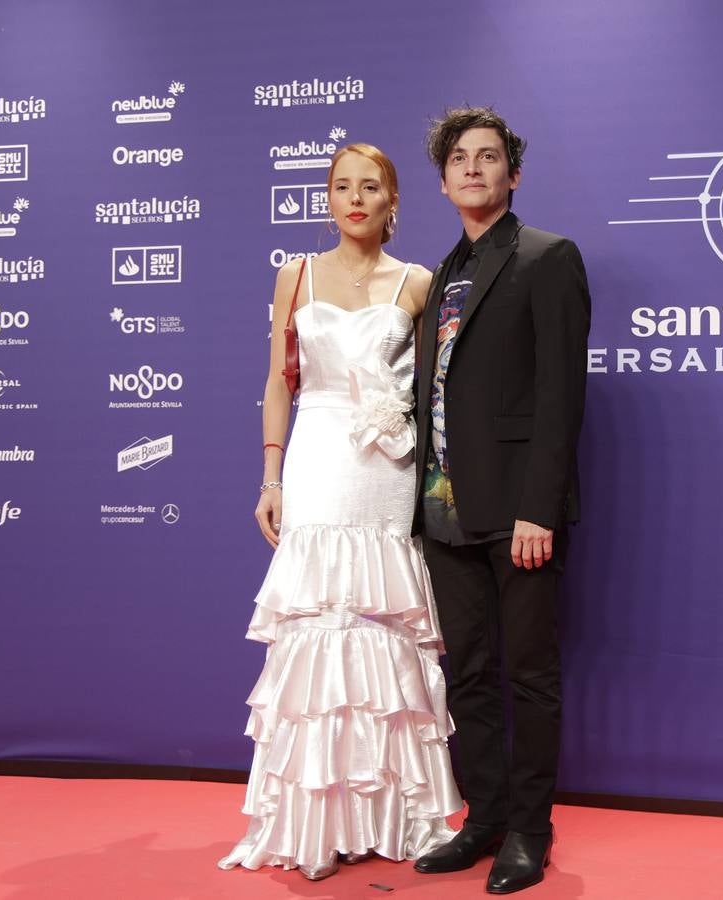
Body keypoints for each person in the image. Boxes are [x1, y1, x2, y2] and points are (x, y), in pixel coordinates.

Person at [218, 143, 461, 882]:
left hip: (386, 468)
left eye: (371, 187)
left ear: (393, 201)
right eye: (341, 186)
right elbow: (278, 382)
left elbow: (434, 391)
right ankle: (315, 822)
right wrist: (270, 476)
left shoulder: (418, 283)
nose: (355, 198)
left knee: (384, 627)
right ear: (327, 198)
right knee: (320, 625)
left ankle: (398, 813)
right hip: (319, 457)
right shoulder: (295, 274)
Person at [410, 107, 591, 894]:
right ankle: (481, 817)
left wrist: (538, 507)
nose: (473, 169)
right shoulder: (438, 274)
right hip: (443, 511)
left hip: (518, 513)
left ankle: (529, 829)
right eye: (459, 159)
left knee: (528, 674)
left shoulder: (547, 258)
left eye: (488, 158)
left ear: (512, 174)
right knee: (470, 675)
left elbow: (559, 395)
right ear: (443, 178)